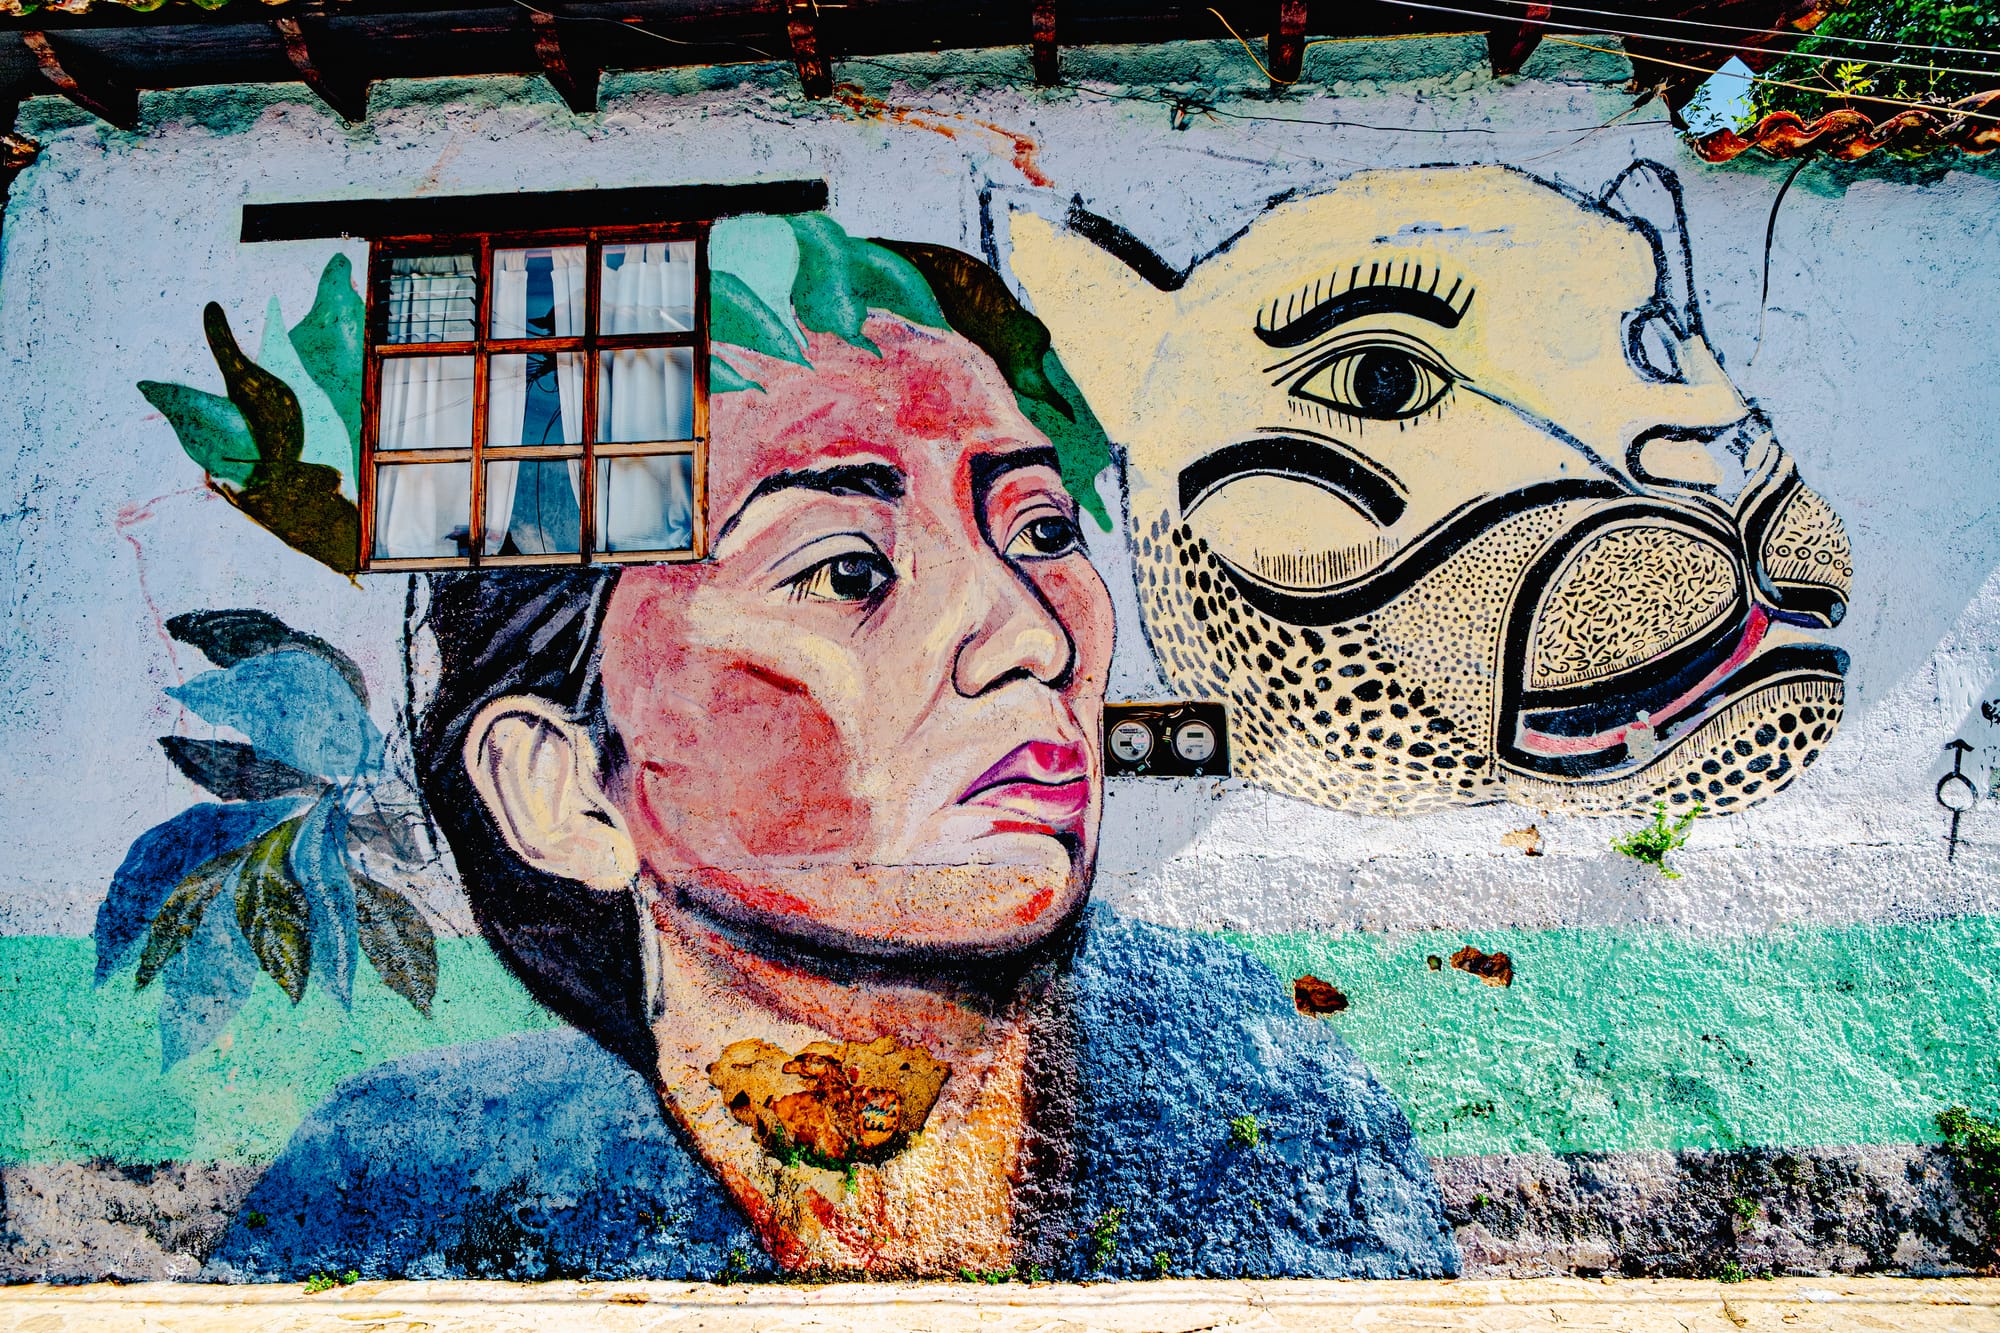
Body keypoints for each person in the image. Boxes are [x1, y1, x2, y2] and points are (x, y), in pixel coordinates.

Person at [210, 216, 1457, 1282]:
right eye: (846, 571)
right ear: (562, 789)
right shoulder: (399, 1184)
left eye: (1036, 529)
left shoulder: (1270, 1104)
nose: (1025, 636)